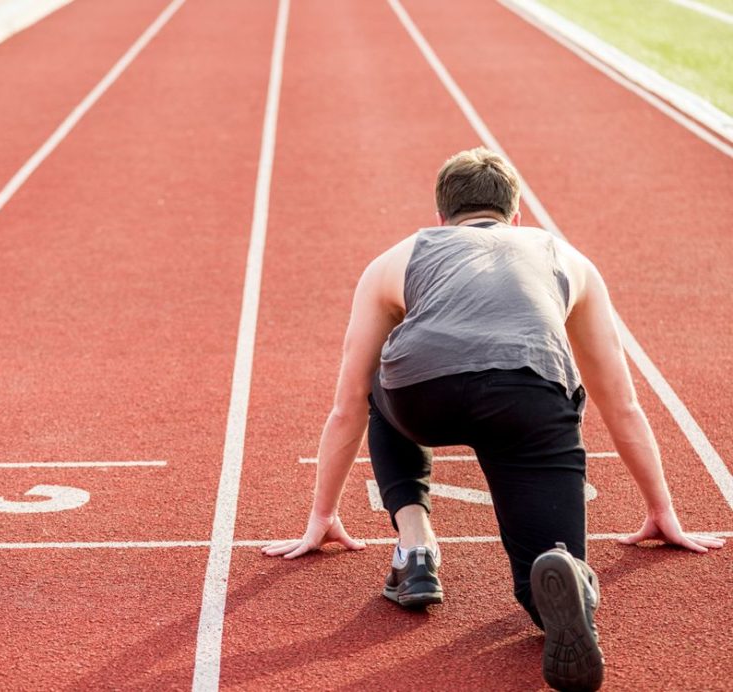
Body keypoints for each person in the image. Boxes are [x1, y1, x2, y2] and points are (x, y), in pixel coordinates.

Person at [262, 147, 725, 691]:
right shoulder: (565, 256)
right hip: (527, 397)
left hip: (420, 395)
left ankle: (415, 549)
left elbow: (345, 406)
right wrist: (660, 508)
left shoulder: (399, 256)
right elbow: (620, 402)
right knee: (547, 571)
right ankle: (560, 580)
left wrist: (322, 514)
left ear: (440, 217)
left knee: (375, 375)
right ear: (517, 214)